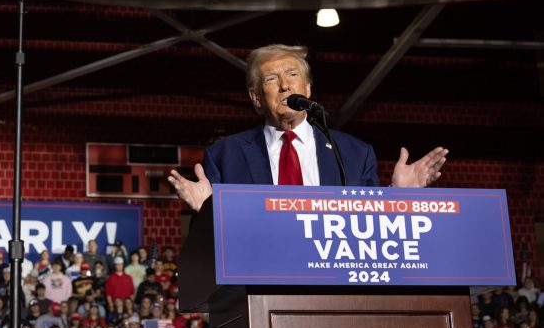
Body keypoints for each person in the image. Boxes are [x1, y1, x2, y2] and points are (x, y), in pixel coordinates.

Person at [168, 44, 448, 211]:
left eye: (292, 75)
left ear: (308, 89)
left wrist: (397, 198)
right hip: (260, 285)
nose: (285, 85)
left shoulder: (353, 152)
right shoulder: (224, 154)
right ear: (256, 97)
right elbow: (212, 248)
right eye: (271, 79)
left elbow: (369, 229)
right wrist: (206, 211)